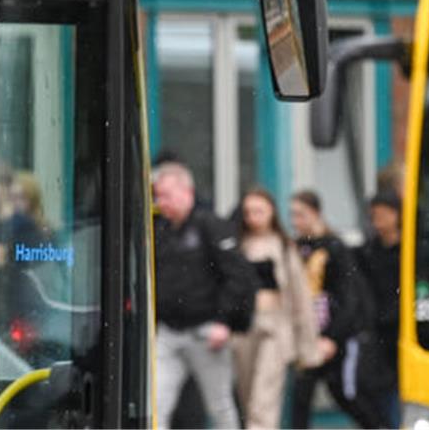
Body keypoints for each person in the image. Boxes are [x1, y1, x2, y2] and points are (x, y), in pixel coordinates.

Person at [153, 159, 257, 429]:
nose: (161, 202)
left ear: (187, 192)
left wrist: (224, 321)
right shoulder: (161, 230)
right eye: (158, 195)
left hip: (205, 331)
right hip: (168, 332)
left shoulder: (210, 225)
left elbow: (238, 277)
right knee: (157, 402)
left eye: (166, 195)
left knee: (219, 404)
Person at [286, 190, 384, 429]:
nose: (296, 221)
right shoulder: (296, 248)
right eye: (292, 215)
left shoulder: (335, 248)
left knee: (347, 393)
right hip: (309, 335)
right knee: (301, 396)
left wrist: (332, 338)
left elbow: (349, 297)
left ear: (316, 213)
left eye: (301, 214)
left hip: (337, 336)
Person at [230, 188, 319, 429]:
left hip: (275, 327)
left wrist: (308, 345)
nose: (253, 217)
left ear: (271, 212)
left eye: (259, 210)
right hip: (244, 329)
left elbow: (300, 297)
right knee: (247, 397)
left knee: (263, 399)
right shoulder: (237, 245)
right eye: (249, 212)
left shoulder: (283, 246)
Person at [359, 191, 403, 427]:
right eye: (374, 216)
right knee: (376, 385)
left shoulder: (410, 250)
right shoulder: (369, 251)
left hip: (404, 327)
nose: (378, 222)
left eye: (383, 215)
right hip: (379, 329)